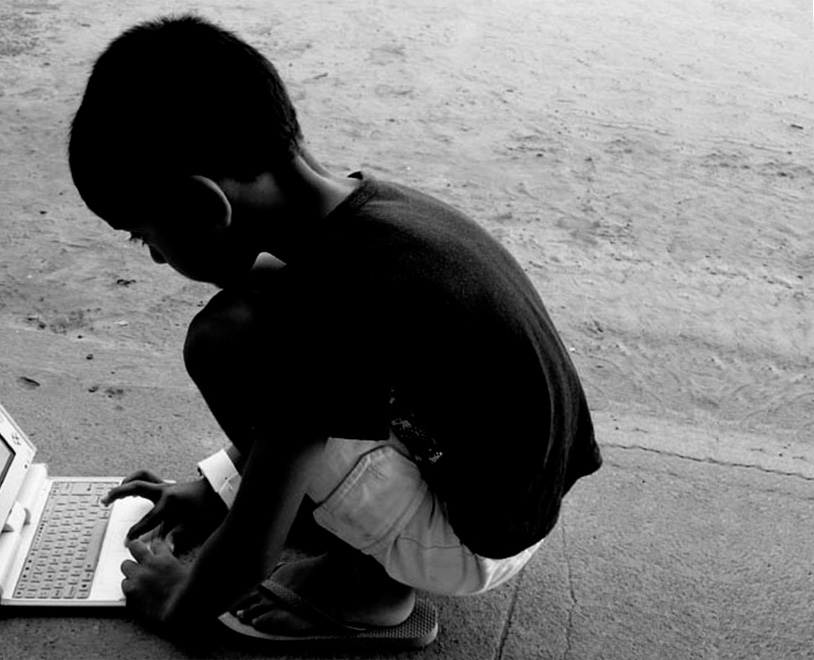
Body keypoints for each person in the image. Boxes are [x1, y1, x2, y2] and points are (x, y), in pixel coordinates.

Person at [67, 14, 601, 640]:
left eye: (145, 236)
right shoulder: (367, 213)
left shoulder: (325, 300)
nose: (157, 258)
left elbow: (251, 550)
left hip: (473, 540)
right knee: (265, 329)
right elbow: (326, 390)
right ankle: (361, 534)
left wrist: (176, 600)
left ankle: (366, 587)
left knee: (224, 340)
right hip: (512, 493)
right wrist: (216, 490)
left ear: (203, 206)